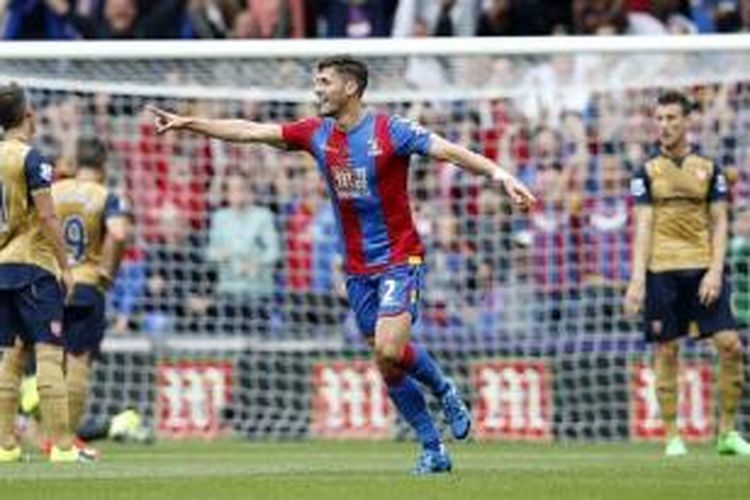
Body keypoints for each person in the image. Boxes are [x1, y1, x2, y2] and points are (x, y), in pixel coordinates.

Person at [147, 55, 535, 474]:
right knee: (386, 361)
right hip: (356, 269)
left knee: (389, 347)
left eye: (324, 82)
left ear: (350, 88)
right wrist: (190, 123)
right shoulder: (317, 133)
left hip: (400, 258)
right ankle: (433, 449)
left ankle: (444, 389)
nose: (317, 89)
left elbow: (449, 152)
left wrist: (500, 175)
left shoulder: (391, 131)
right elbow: (251, 131)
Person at [624, 90, 750, 457]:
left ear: (686, 121)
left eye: (671, 118)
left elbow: (721, 221)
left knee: (730, 346)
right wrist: (637, 280)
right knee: (666, 352)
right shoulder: (646, 171)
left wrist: (715, 271)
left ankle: (726, 433)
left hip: (702, 270)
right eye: (659, 118)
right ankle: (672, 436)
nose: (664, 125)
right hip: (662, 271)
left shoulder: (709, 169)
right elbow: (643, 225)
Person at [0, 82, 79, 463]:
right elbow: (47, 215)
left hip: (1, 267)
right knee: (49, 354)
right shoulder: (32, 159)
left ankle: (5, 447)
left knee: (10, 358)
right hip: (34, 265)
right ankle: (63, 447)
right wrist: (66, 265)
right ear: (28, 113)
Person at [51, 136, 131, 456]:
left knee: (48, 362)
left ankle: (41, 435)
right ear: (103, 165)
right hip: (86, 285)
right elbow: (119, 233)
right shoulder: (105, 195)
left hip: (51, 284)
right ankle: (66, 441)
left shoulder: (53, 191)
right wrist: (108, 272)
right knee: (78, 361)